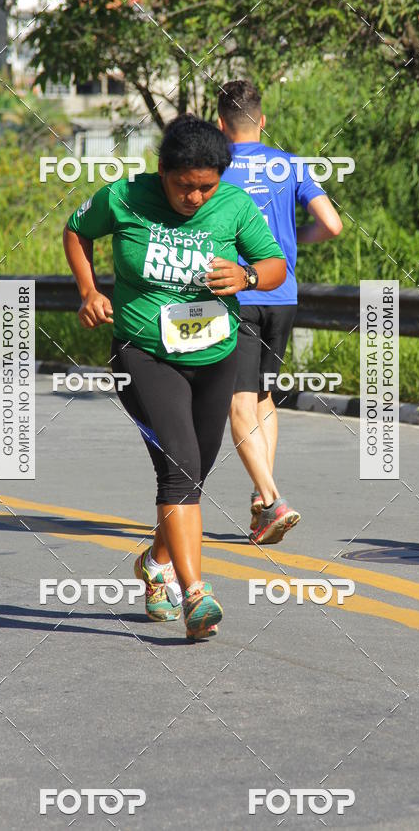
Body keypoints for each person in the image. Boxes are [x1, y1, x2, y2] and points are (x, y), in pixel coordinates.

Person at [63, 114, 286, 640]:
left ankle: (154, 564)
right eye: (185, 186)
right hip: (143, 354)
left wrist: (248, 275)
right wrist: (89, 291)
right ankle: (196, 594)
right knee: (180, 468)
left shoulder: (232, 205)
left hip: (215, 356)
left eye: (206, 187)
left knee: (196, 472)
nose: (195, 197)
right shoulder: (124, 197)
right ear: (162, 171)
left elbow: (275, 264)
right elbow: (76, 231)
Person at [217, 80, 343, 545]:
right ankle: (259, 498)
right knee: (265, 397)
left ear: (219, 124)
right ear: (262, 120)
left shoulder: (216, 167)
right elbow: (332, 224)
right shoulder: (290, 165)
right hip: (283, 293)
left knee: (238, 402)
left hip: (237, 294)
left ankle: (272, 501)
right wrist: (292, 250)